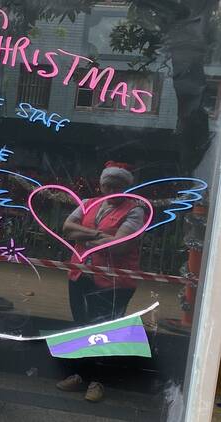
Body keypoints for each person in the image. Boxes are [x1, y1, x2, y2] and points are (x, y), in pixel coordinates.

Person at [57, 161, 147, 402]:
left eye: (116, 186)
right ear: (101, 184)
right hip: (81, 274)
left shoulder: (136, 210)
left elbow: (120, 246)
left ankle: (99, 381)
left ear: (125, 186)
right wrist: (99, 235)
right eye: (107, 185)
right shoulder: (88, 204)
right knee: (81, 326)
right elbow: (67, 228)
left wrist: (84, 237)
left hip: (115, 281)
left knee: (105, 330)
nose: (110, 190)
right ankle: (81, 374)